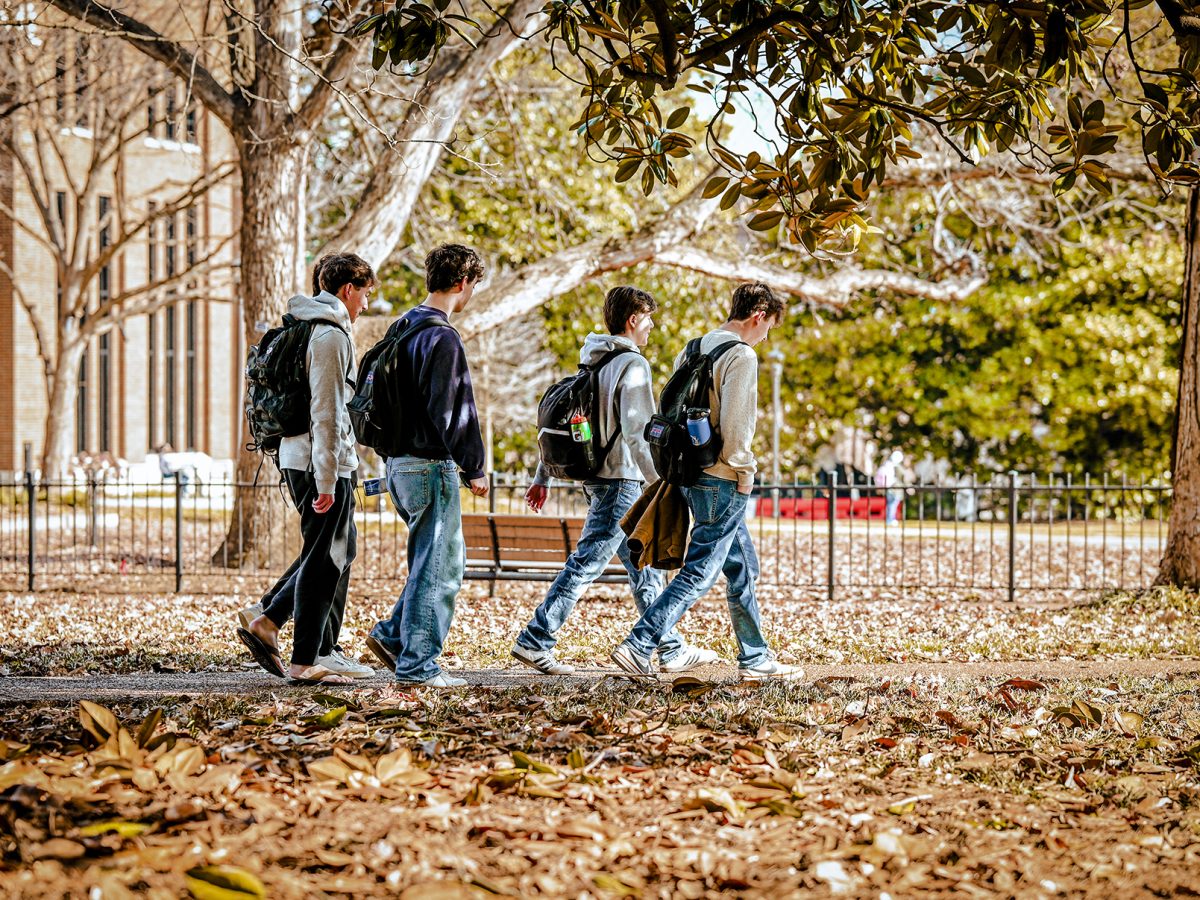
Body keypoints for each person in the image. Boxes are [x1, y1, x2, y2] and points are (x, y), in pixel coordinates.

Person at [511, 287, 718, 676]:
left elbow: (570, 424)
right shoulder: (632, 366)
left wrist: (543, 476)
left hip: (600, 480)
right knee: (587, 563)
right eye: (649, 319)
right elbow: (639, 433)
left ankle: (668, 646)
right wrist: (661, 482)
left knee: (644, 565)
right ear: (634, 319)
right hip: (621, 481)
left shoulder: (594, 363)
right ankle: (535, 639)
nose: (652, 326)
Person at [609, 283, 805, 682]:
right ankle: (640, 644)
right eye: (769, 327)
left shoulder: (694, 347)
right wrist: (745, 473)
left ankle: (755, 657)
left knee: (742, 565)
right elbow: (737, 426)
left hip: (689, 472)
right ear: (759, 316)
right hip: (723, 477)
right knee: (701, 570)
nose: (767, 336)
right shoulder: (742, 356)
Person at [236, 252, 375, 685]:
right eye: (365, 294)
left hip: (303, 458)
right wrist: (329, 478)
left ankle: (269, 617)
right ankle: (303, 659)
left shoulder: (305, 326)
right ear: (348, 290)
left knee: (332, 550)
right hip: (319, 464)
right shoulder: (330, 337)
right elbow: (328, 413)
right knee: (326, 559)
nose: (366, 305)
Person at [363, 244, 489, 688]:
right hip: (429, 465)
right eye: (474, 284)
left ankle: (394, 637)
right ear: (463, 283)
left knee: (427, 560)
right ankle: (418, 664)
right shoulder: (443, 337)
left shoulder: (403, 327)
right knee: (442, 564)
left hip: (396, 464)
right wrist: (474, 466)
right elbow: (454, 409)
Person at [874, 449, 904, 525]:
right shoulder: (894, 466)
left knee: (890, 504)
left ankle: (889, 519)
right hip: (892, 487)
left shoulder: (885, 465)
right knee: (892, 503)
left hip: (888, 486)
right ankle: (890, 519)